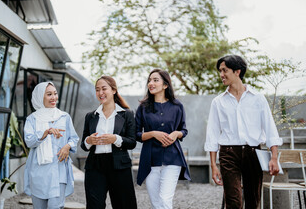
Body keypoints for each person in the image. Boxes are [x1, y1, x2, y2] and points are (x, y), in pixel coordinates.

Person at [204, 55, 283, 208]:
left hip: (253, 153)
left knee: (253, 201)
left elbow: (270, 128)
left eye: (224, 70)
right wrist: (214, 165)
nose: (221, 75)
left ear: (237, 71)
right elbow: (212, 134)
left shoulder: (258, 99)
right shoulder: (218, 102)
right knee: (233, 202)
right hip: (228, 153)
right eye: (220, 71)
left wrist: (274, 157)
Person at [135, 69, 191, 209]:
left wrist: (175, 134)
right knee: (156, 203)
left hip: (172, 158)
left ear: (165, 85)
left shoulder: (177, 106)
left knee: (165, 200)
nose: (150, 83)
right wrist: (153, 133)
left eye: (155, 80)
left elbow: (184, 130)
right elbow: (135, 134)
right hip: (151, 159)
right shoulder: (143, 107)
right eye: (149, 80)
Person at [81, 76, 137, 209]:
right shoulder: (91, 116)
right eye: (97, 90)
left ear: (113, 90)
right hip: (95, 166)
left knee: (123, 205)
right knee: (95, 205)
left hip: (119, 166)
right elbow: (84, 145)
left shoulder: (127, 114)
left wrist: (115, 139)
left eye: (104, 89)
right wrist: (89, 140)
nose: (100, 93)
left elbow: (132, 142)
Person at [24, 82, 79, 209]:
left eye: (55, 93)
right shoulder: (32, 119)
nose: (54, 97)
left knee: (56, 206)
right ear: (39, 97)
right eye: (49, 94)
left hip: (59, 169)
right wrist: (45, 133)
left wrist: (67, 146)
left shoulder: (64, 117)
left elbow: (74, 138)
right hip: (38, 171)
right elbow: (29, 142)